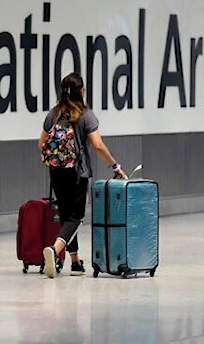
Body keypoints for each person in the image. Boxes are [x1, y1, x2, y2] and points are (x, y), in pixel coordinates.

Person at [39, 72, 127, 278]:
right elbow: (97, 145)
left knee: (66, 215)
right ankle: (54, 250)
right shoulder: (85, 115)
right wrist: (115, 166)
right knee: (76, 217)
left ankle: (76, 262)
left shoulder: (53, 114)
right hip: (77, 172)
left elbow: (41, 144)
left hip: (56, 171)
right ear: (81, 91)